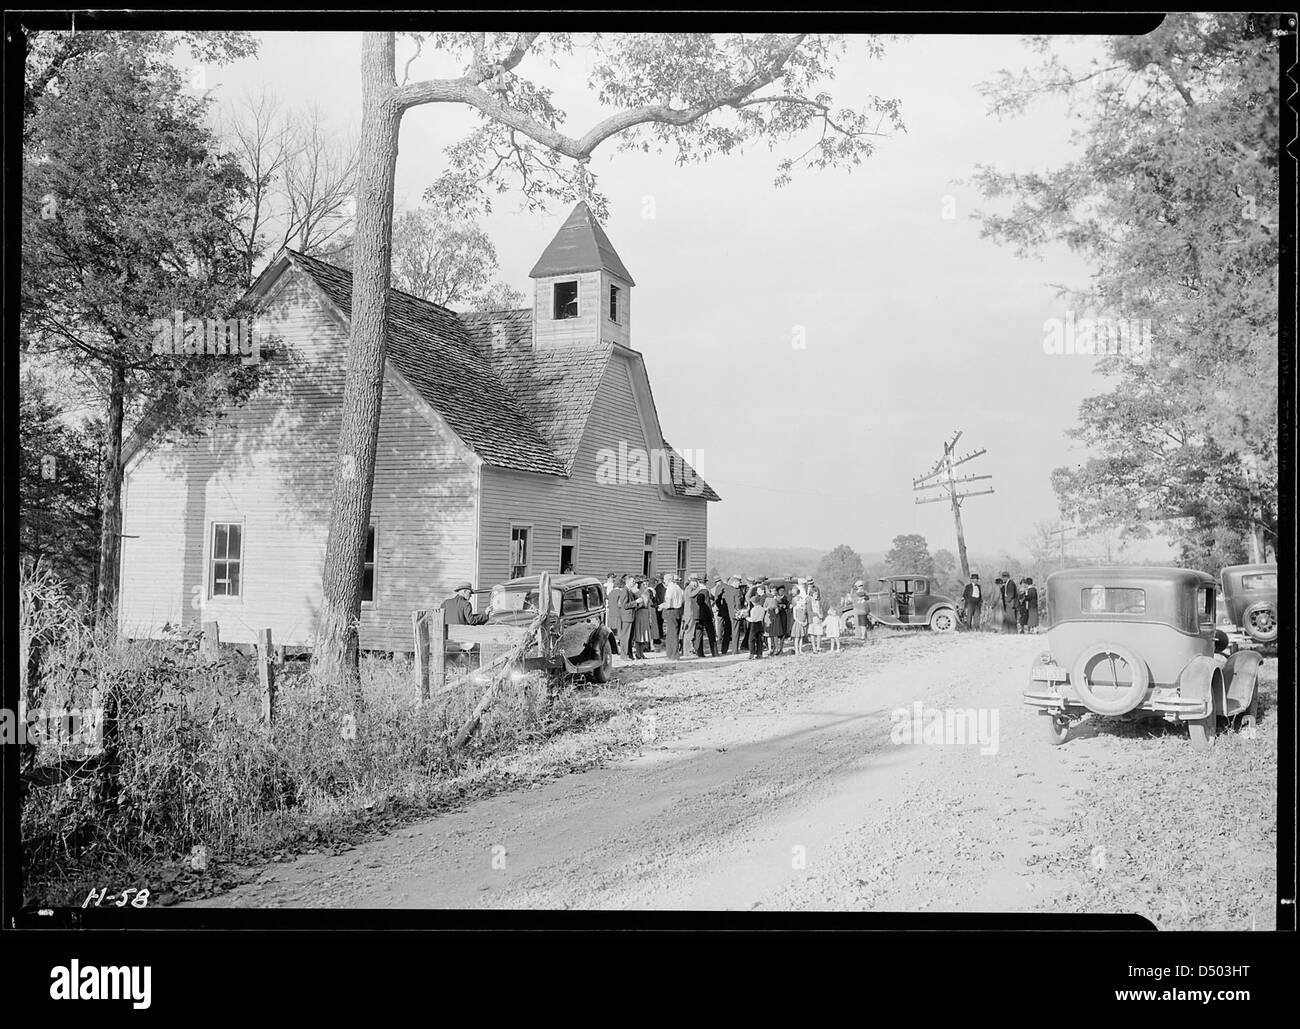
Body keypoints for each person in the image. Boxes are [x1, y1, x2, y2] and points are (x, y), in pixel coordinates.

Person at [658, 572, 685, 661]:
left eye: (665, 580)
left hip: (671, 611)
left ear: (668, 580)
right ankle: (671, 654)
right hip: (678, 611)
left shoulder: (670, 588)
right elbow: (683, 599)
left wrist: (661, 606)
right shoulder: (678, 588)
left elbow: (668, 603)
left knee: (671, 634)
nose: (664, 581)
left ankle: (674, 655)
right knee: (675, 633)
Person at [609, 575, 637, 659]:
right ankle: (624, 655)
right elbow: (624, 605)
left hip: (630, 616)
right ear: (628, 582)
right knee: (625, 637)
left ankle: (629, 654)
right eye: (633, 581)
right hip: (626, 617)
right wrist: (635, 602)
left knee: (629, 637)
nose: (634, 583)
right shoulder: (625, 591)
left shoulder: (629, 591)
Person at [632, 577, 656, 658]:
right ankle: (638, 652)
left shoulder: (647, 593)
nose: (645, 586)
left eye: (646, 584)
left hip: (646, 613)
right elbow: (635, 605)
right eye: (643, 584)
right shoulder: (636, 594)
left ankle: (641, 652)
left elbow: (649, 605)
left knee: (645, 634)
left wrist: (649, 616)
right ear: (640, 586)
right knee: (639, 633)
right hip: (639, 613)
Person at [693, 584, 717, 657]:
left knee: (698, 635)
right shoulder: (705, 591)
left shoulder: (693, 591)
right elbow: (708, 603)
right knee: (711, 634)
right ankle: (714, 652)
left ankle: (699, 652)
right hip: (706, 616)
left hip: (696, 615)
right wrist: (711, 615)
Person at [746, 583, 767, 659]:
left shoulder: (753, 609)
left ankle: (751, 653)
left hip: (754, 625)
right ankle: (759, 654)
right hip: (760, 624)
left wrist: (746, 618)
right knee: (759, 640)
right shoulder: (761, 608)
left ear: (753, 602)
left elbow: (753, 619)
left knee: (751, 639)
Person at [712, 578, 732, 655]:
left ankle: (719, 636)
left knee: (719, 623)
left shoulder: (718, 588)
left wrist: (720, 607)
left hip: (721, 609)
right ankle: (724, 648)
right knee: (727, 628)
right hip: (728, 610)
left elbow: (716, 599)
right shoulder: (729, 587)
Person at [731, 576, 749, 655]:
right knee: (736, 632)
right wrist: (741, 611)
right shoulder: (737, 591)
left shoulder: (729, 589)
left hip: (729, 612)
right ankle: (735, 650)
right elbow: (738, 603)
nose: (739, 584)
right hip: (736, 613)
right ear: (734, 582)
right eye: (738, 582)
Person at [791, 584, 809, 654]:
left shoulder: (803, 608)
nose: (801, 601)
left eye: (801, 600)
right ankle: (797, 650)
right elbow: (795, 617)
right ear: (797, 602)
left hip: (803, 623)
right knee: (797, 638)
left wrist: (805, 621)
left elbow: (805, 615)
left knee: (801, 637)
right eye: (799, 600)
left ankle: (800, 650)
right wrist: (800, 622)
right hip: (798, 624)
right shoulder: (795, 608)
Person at [806, 586, 824, 653]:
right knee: (812, 633)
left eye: (817, 594)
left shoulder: (818, 601)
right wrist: (817, 614)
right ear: (811, 594)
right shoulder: (809, 601)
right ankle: (814, 647)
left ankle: (818, 646)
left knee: (819, 633)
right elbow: (809, 612)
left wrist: (821, 614)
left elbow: (820, 609)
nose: (816, 596)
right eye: (815, 594)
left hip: (818, 619)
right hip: (812, 619)